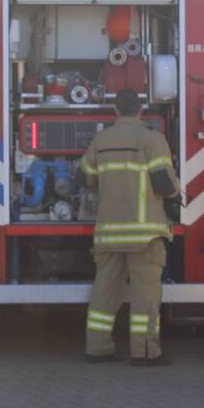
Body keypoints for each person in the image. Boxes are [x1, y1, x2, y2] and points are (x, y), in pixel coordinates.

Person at [75, 87, 180, 366]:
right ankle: (144, 352)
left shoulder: (101, 140)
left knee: (105, 290)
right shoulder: (152, 139)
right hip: (144, 235)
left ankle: (97, 348)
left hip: (109, 234)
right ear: (142, 111)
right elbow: (165, 184)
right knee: (145, 295)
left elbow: (83, 178)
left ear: (116, 111)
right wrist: (178, 194)